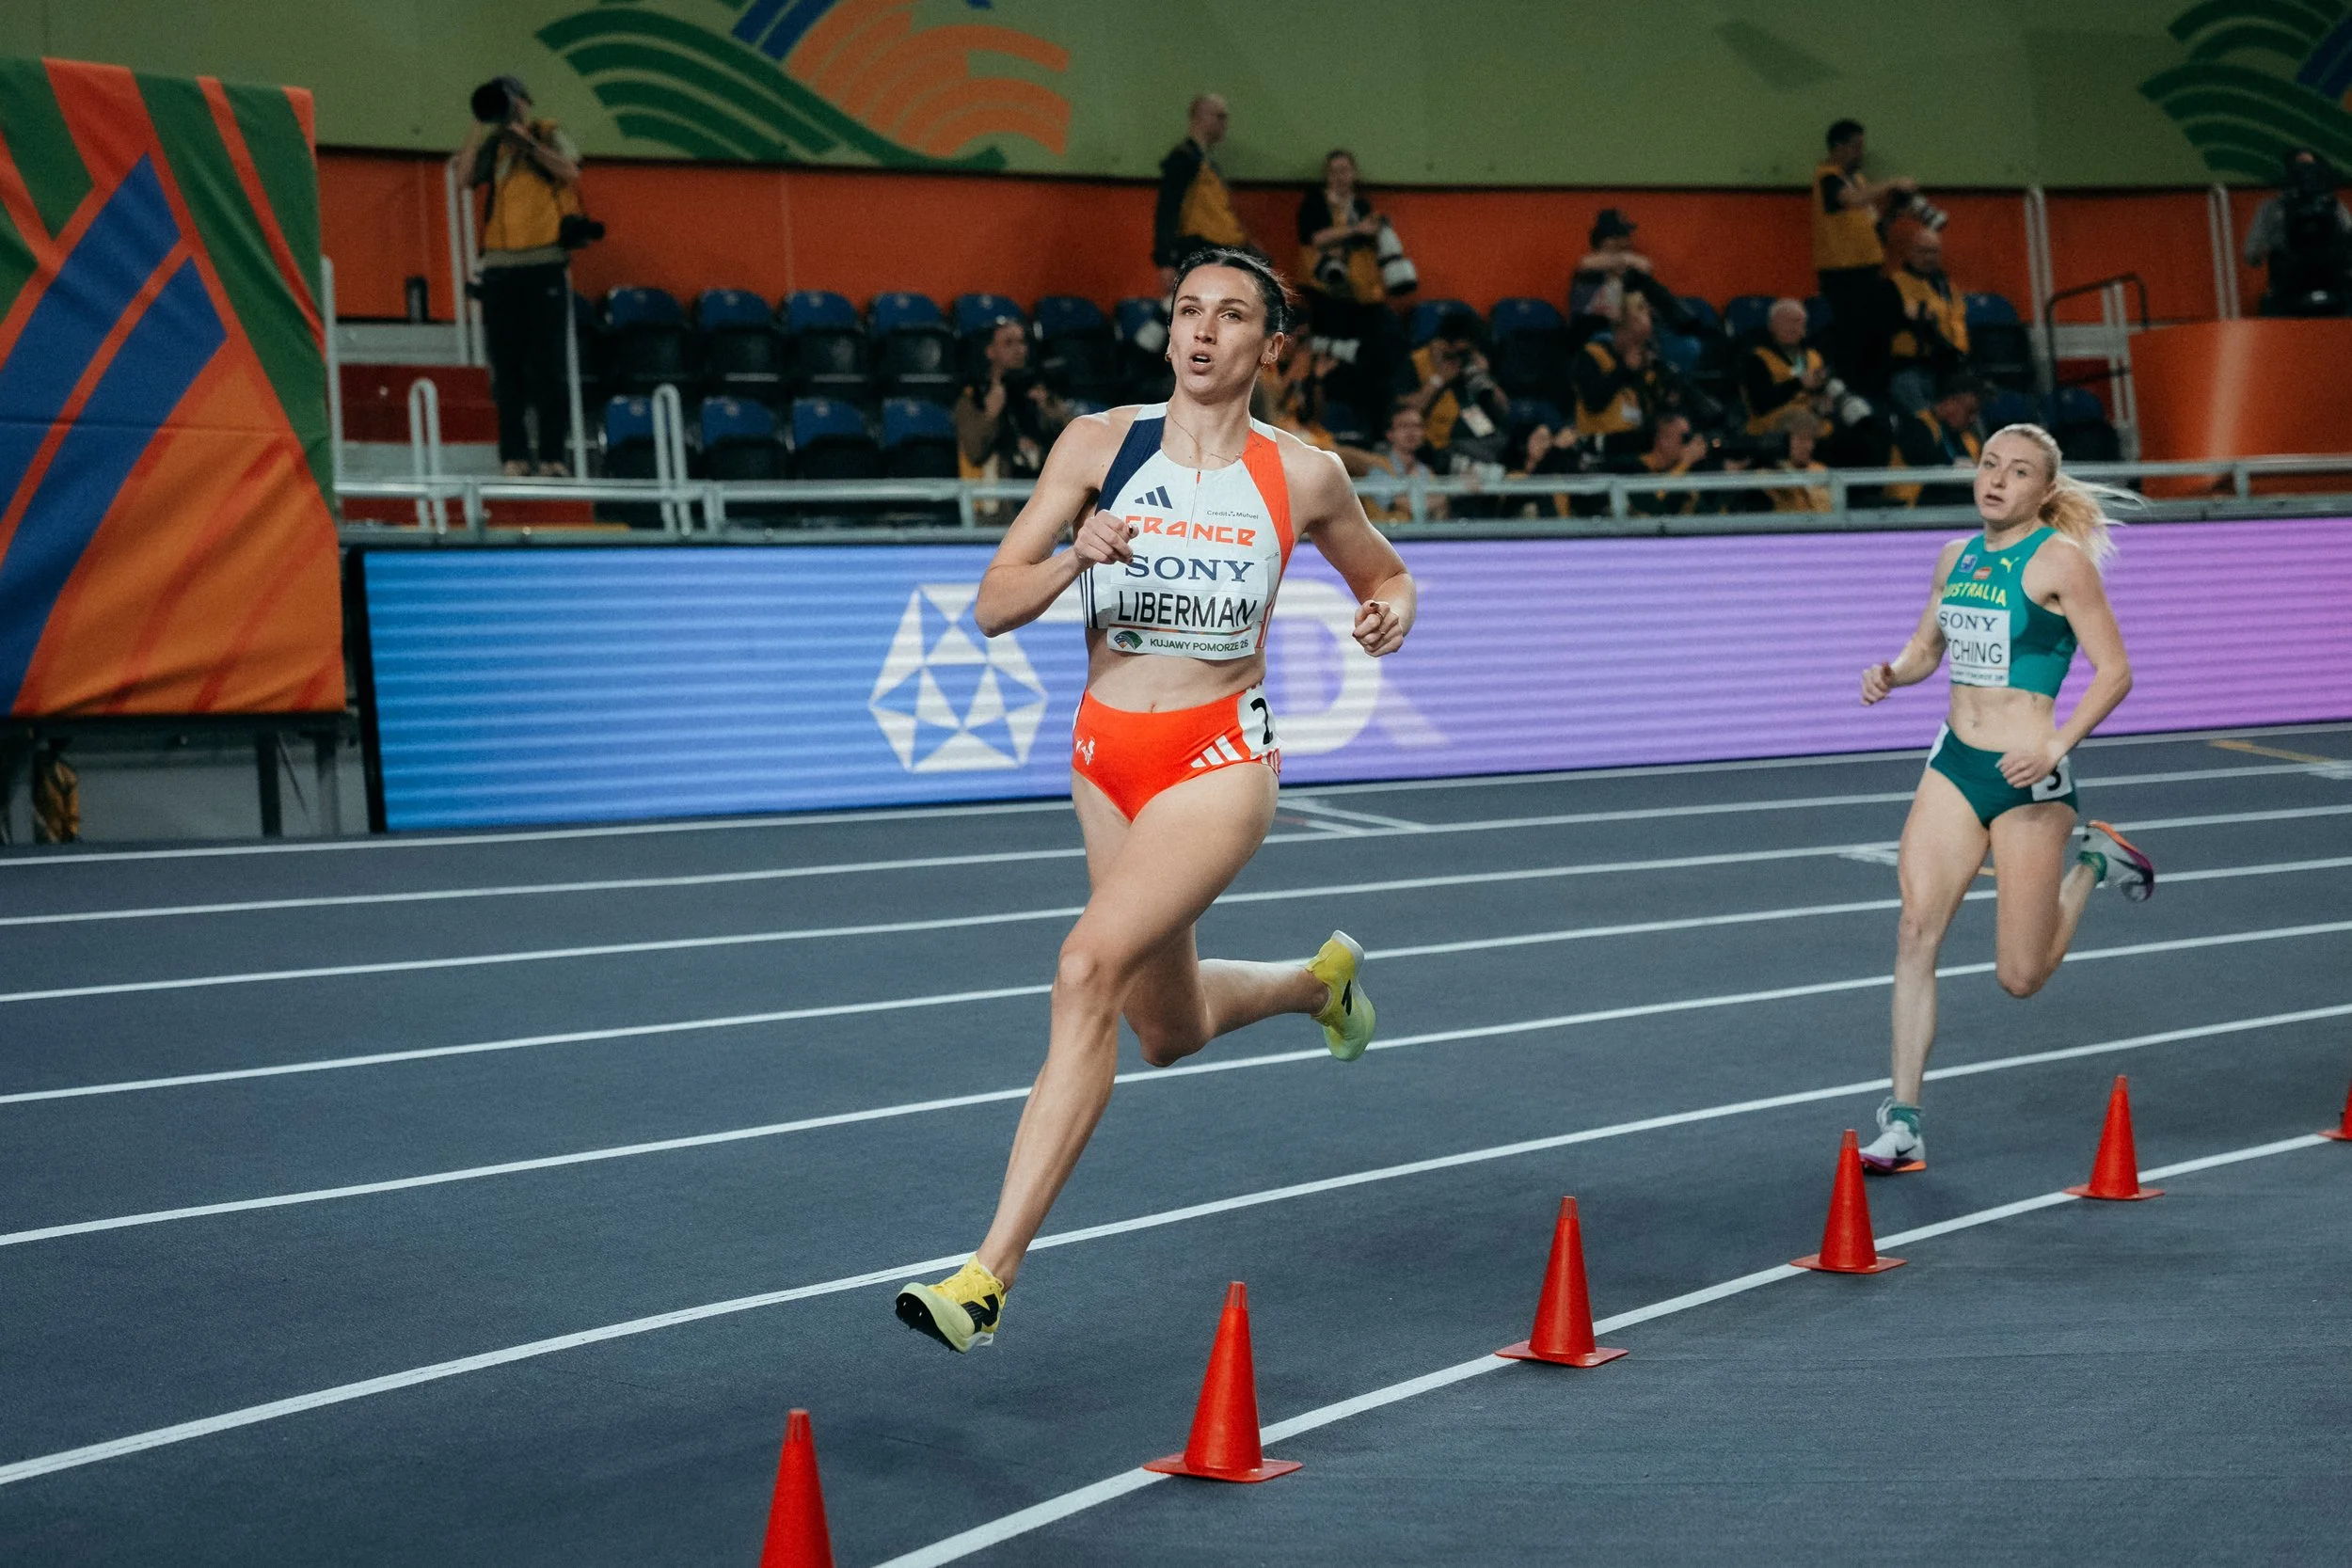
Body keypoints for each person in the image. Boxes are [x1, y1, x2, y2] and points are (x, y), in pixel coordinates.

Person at [894, 248, 1417, 1354]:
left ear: (1268, 346)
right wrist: (1071, 562)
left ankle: (987, 1274)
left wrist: (1391, 607)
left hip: (1221, 759)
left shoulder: (1303, 473)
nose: (1203, 331)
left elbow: (1383, 571)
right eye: (1188, 310)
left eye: (1231, 316)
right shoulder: (1099, 445)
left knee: (1085, 967)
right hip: (1104, 755)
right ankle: (1317, 985)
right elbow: (993, 604)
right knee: (1162, 1027)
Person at [1857, 423, 2153, 1173]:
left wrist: (2057, 744)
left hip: (2030, 778)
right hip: (1956, 764)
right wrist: (1893, 670)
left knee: (2019, 978)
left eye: (2017, 472)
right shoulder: (1955, 557)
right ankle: (1905, 1119)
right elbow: (1930, 647)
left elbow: (2115, 671)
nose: (1996, 480)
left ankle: (2092, 856)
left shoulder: (2062, 563)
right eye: (1989, 464)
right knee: (1915, 928)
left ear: (2043, 491)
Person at [458, 75, 583, 478]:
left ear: (524, 103)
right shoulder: (492, 148)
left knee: (547, 367)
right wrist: (479, 126)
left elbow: (570, 172)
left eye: (509, 101)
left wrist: (527, 144)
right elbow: (463, 180)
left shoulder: (547, 133)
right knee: (506, 366)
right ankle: (512, 455)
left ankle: (552, 456)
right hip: (499, 268)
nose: (506, 108)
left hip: (544, 264)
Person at [1812, 119, 1911, 401]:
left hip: (1869, 272)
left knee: (1878, 342)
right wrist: (1892, 182)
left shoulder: (1858, 181)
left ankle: (1878, 397)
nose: (1860, 154)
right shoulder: (1827, 177)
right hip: (1844, 276)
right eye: (1855, 147)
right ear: (1838, 147)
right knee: (1854, 346)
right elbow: (1852, 200)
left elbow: (1874, 226)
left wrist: (1894, 208)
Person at [1295, 150, 1398, 413]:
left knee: (1374, 355)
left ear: (1354, 174)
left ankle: (1370, 417)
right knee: (1332, 358)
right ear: (1326, 176)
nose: (1340, 177)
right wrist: (1355, 230)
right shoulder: (1315, 203)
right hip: (1327, 294)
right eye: (1334, 171)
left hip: (1362, 295)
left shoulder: (1362, 206)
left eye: (1345, 171)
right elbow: (1313, 238)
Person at [955, 318, 1074, 508]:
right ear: (990, 351)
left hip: (1044, 502)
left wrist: (1048, 409)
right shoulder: (973, 398)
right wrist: (991, 415)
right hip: (997, 509)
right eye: (1009, 343)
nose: (1019, 350)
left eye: (1022, 342)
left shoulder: (1039, 391)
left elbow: (1076, 438)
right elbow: (974, 452)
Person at [1152, 95, 1251, 293]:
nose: (1225, 124)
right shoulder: (1183, 159)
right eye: (1220, 116)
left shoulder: (1208, 165)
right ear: (1201, 117)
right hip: (1197, 253)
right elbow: (1168, 210)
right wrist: (1166, 260)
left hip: (1219, 254)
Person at [2245, 148, 2352, 317]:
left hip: (2333, 288)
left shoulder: (2334, 207)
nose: (2306, 174)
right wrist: (2269, 247)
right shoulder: (2271, 209)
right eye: (2300, 168)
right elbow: (2251, 255)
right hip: (2288, 291)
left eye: (2310, 167)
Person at [1400, 309, 1511, 466]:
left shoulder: (1467, 364)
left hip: (1477, 441)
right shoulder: (1414, 363)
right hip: (1435, 448)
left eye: (1465, 353)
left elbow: (1504, 410)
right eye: (1456, 353)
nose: (1458, 359)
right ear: (1441, 343)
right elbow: (1404, 413)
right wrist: (1439, 380)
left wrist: (1486, 379)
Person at [1567, 208, 1692, 346]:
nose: (1627, 241)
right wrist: (1623, 263)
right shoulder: (1587, 275)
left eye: (1625, 236)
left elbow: (1667, 304)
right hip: (1598, 341)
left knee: (1688, 343)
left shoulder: (1634, 274)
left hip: (1647, 337)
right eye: (1620, 236)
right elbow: (1605, 314)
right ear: (1606, 241)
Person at [1568, 292, 1665, 453]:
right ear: (1622, 322)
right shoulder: (1593, 355)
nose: (1648, 317)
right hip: (1597, 450)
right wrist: (1623, 369)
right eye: (1641, 310)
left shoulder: (1649, 365)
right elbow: (1593, 402)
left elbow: (1653, 418)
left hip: (1636, 453)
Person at [1889, 228, 1970, 413]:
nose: (1929, 257)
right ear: (1909, 253)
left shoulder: (1946, 285)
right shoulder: (1896, 284)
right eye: (1922, 251)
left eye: (1933, 251)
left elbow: (1958, 320)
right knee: (1926, 423)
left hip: (1948, 368)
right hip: (1911, 368)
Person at [1890, 373, 1985, 506]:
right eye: (1970, 411)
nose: (1973, 419)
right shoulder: (1916, 426)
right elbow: (1927, 466)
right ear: (1949, 402)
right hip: (1910, 508)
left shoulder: (1968, 439)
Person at [1360, 402, 1448, 521]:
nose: (1411, 432)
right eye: (1404, 426)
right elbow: (1411, 506)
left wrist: (1441, 500)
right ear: (1390, 434)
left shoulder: (1426, 471)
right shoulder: (1378, 468)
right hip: (1387, 537)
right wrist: (1442, 499)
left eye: (1417, 426)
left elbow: (1442, 511)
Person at [1768, 413, 1833, 514]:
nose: (1808, 447)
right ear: (1787, 442)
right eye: (1801, 440)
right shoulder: (1773, 471)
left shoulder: (1821, 470)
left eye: (1810, 440)